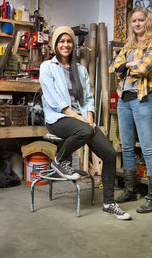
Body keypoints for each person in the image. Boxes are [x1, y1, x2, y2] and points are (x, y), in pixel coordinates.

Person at [39, 26, 131, 220]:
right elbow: (54, 100)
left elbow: (89, 98)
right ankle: (60, 159)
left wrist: (89, 118)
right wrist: (79, 118)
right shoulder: (47, 67)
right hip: (57, 118)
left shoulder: (80, 70)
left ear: (73, 44)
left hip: (81, 120)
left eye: (69, 41)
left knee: (110, 153)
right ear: (55, 44)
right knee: (84, 131)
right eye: (61, 41)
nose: (65, 45)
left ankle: (108, 203)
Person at [110, 6, 152, 213]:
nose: (137, 24)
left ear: (147, 21)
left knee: (148, 148)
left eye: (141, 20)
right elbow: (113, 67)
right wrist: (130, 63)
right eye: (134, 21)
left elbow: (145, 68)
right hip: (125, 99)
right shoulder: (129, 44)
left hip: (145, 99)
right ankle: (131, 189)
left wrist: (128, 65)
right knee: (127, 147)